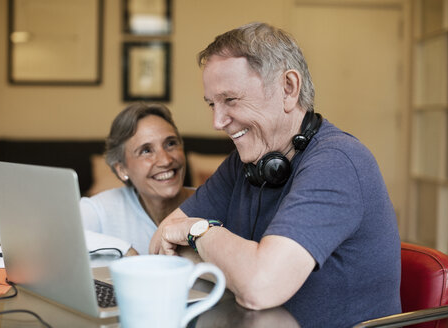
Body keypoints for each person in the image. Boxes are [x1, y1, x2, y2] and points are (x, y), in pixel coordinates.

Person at [149, 22, 401, 327]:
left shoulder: (338, 162)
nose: (217, 121)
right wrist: (236, 265)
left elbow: (260, 287)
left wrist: (198, 232)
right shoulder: (243, 162)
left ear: (288, 88)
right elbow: (162, 240)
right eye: (212, 104)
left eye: (230, 100)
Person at [80, 103, 194, 255]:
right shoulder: (101, 209)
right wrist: (124, 250)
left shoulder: (213, 203)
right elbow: (55, 234)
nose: (165, 160)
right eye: (146, 150)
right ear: (122, 169)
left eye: (170, 143)